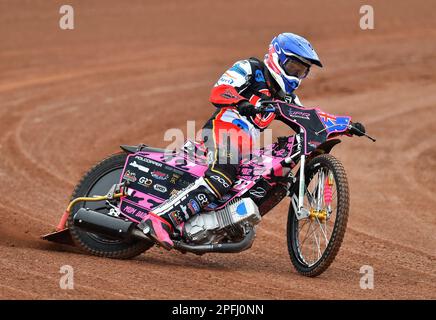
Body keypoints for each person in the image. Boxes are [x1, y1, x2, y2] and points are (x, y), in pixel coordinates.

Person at [138, 32, 351, 249]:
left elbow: (309, 119)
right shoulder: (251, 68)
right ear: (276, 57)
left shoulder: (287, 98)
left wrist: (345, 125)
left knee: (274, 181)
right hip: (219, 132)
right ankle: (160, 219)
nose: (296, 74)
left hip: (243, 146)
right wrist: (241, 102)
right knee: (222, 176)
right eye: (293, 67)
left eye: (302, 71)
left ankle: (219, 224)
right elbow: (219, 91)